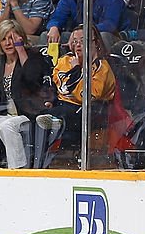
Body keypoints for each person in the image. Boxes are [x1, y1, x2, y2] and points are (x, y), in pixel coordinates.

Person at [0, 20, 54, 169]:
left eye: (12, 38)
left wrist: (21, 51)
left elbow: (32, 79)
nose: (8, 43)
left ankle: (17, 169)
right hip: (7, 114)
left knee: (7, 127)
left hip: (29, 113)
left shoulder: (33, 57)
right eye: (4, 39)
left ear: (20, 39)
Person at [38, 24, 116, 167]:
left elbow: (87, 96)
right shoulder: (65, 61)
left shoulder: (101, 68)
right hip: (62, 105)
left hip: (88, 111)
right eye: (74, 41)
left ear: (96, 42)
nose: (78, 45)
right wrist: (51, 100)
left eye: (83, 40)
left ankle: (59, 126)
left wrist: (75, 71)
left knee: (71, 114)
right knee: (37, 114)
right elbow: (57, 85)